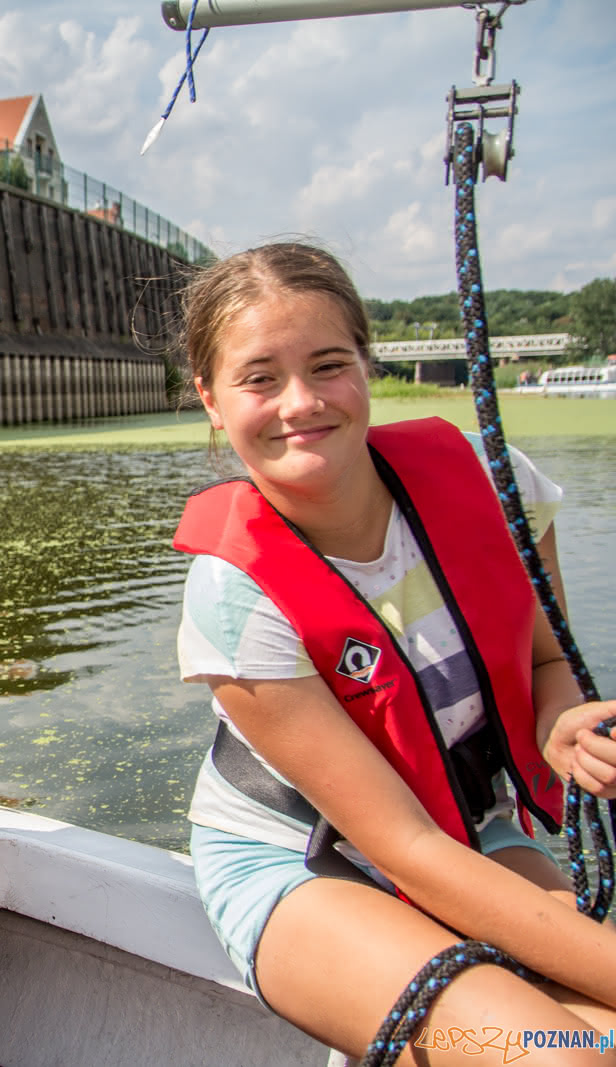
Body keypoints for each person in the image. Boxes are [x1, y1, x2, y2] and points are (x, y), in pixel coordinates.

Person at [171, 243, 616, 1063]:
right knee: (559, 1056)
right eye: (260, 377)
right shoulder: (234, 598)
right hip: (306, 862)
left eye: (328, 365)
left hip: (470, 826)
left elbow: (551, 662)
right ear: (211, 398)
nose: (300, 403)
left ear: (368, 367)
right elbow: (402, 846)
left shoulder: (497, 490)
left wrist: (562, 726)